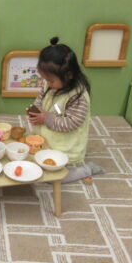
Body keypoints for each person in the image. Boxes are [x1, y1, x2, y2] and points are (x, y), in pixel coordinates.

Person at [27, 37, 104, 183]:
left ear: (69, 75)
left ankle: (86, 170)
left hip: (65, 145)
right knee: (31, 161)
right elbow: (41, 98)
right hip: (48, 137)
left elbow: (71, 123)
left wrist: (46, 118)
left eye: (51, 80)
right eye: (45, 79)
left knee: (50, 178)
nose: (47, 83)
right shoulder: (49, 83)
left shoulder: (78, 96)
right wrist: (36, 109)